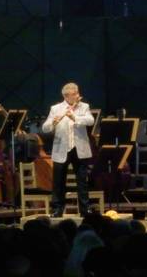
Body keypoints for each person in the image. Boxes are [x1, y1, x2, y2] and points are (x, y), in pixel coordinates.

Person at [42, 83, 94, 217]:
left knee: (82, 180)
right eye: (75, 93)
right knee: (59, 181)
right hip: (61, 149)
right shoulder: (56, 108)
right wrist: (53, 122)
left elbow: (90, 120)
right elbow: (45, 128)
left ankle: (85, 209)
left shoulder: (84, 106)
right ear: (66, 96)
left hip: (79, 148)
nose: (78, 95)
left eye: (77, 92)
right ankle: (57, 209)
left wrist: (75, 117)